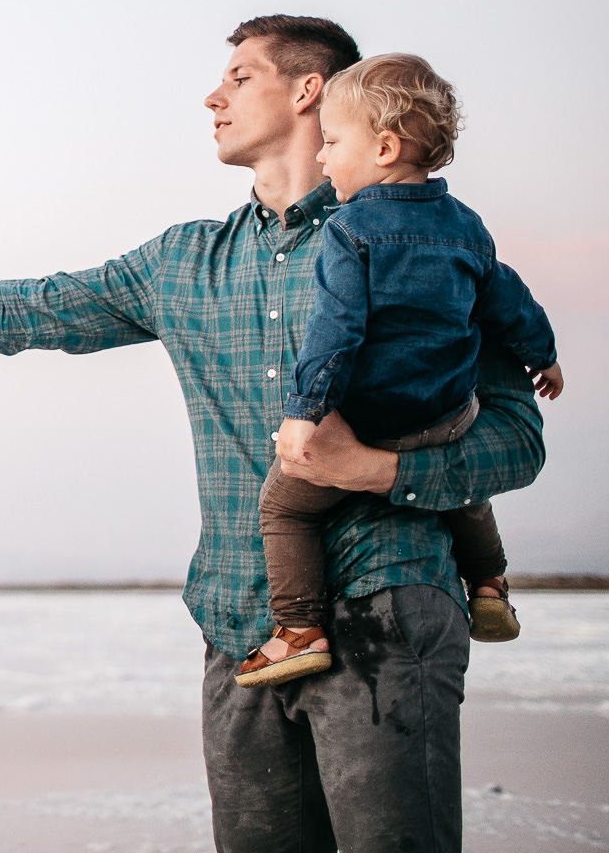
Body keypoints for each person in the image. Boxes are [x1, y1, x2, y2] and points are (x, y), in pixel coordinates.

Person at [0, 15, 547, 853]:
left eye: (241, 77)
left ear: (308, 91)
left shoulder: (425, 244)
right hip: (238, 626)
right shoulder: (183, 263)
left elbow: (517, 435)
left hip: (389, 609)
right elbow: (23, 309)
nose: (214, 97)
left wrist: (377, 470)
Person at [241, 53, 563, 688]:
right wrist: (543, 355)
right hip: (448, 417)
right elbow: (510, 302)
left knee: (284, 508)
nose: (324, 158)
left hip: (373, 424)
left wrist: (303, 414)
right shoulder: (467, 226)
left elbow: (336, 334)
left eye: (332, 141)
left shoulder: (349, 230)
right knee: (463, 493)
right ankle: (491, 585)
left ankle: (297, 629)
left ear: (385, 147)